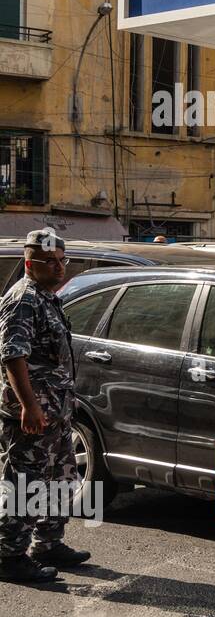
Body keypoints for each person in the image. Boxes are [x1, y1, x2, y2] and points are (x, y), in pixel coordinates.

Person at [0, 229, 89, 583]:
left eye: (61, 261)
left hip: (56, 412)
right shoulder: (23, 299)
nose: (58, 268)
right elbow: (12, 355)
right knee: (24, 483)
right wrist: (29, 406)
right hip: (32, 414)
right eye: (49, 261)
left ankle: (48, 543)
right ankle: (9, 555)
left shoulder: (47, 297)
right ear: (29, 263)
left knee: (60, 479)